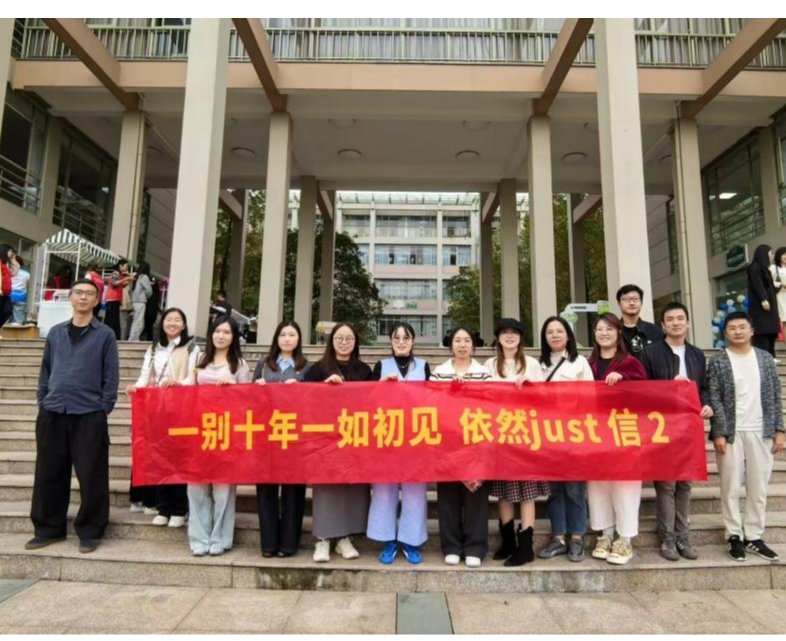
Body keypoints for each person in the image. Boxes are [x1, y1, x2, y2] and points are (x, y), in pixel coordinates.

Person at [26, 278, 119, 553]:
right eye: (78, 293)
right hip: (53, 411)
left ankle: (90, 531)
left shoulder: (105, 335)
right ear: (70, 297)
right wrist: (43, 399)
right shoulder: (56, 333)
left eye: (89, 294)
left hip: (89, 413)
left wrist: (104, 407)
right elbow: (45, 369)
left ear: (97, 300)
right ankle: (48, 529)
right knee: (49, 473)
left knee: (92, 475)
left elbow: (111, 375)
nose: (83, 297)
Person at [708, 311, 785, 562]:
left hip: (761, 430)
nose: (738, 331)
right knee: (730, 485)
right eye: (732, 328)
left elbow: (775, 395)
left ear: (752, 330)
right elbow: (715, 398)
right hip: (731, 432)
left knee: (758, 486)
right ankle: (733, 534)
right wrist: (719, 431)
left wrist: (780, 430)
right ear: (725, 333)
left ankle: (754, 535)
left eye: (742, 327)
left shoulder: (765, 358)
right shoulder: (719, 361)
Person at [644, 302, 713, 561]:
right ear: (663, 325)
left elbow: (704, 387)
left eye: (680, 318)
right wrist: (667, 386)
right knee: (666, 484)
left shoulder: (697, 354)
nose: (676, 323)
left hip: (689, 426)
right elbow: (643, 390)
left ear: (688, 322)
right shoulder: (651, 353)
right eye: (670, 319)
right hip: (662, 427)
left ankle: (683, 535)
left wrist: (706, 404)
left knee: (685, 483)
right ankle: (667, 538)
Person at [303, 322, 372, 563]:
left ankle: (345, 538)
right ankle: (322, 540)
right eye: (339, 338)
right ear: (331, 341)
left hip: (355, 439)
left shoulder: (364, 370)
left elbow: (374, 401)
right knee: (326, 490)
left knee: (352, 490)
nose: (344, 342)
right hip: (326, 440)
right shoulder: (317, 368)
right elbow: (303, 398)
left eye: (349, 338)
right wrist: (323, 388)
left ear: (356, 342)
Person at [183, 315, 251, 556]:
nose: (221, 336)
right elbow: (188, 385)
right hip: (199, 431)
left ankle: (220, 538)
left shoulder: (239, 365)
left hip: (226, 432)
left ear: (234, 337)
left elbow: (248, 399)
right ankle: (198, 538)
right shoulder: (199, 359)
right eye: (217, 331)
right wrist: (171, 385)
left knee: (223, 489)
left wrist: (232, 389)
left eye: (227, 332)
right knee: (196, 487)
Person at [126, 308, 200, 528]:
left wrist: (178, 384)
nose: (173, 323)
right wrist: (135, 388)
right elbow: (145, 375)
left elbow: (193, 378)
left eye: (178, 320)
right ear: (162, 323)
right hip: (157, 409)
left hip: (181, 409)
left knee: (178, 458)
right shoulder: (153, 348)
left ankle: (179, 509)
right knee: (159, 456)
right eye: (169, 319)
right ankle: (163, 507)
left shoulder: (192, 347)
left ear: (184, 325)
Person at [483, 317, 546, 567]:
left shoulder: (532, 364)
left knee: (527, 491)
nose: (509, 337)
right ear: (498, 338)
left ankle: (526, 545)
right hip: (499, 434)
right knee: (504, 490)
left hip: (525, 433)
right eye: (504, 333)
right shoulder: (489, 365)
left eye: (514, 333)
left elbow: (545, 397)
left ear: (521, 338)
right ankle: (508, 541)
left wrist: (531, 386)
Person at [367, 322, 431, 565]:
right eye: (397, 337)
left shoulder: (423, 366)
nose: (401, 342)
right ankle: (388, 540)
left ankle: (411, 540)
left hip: (416, 436)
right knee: (384, 489)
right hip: (386, 436)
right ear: (390, 341)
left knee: (415, 490)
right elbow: (367, 400)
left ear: (413, 341)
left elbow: (433, 399)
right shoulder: (381, 366)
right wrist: (381, 386)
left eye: (406, 337)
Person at [587, 313, 648, 565]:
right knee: (598, 485)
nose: (604, 333)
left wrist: (625, 381)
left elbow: (646, 393)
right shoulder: (588, 364)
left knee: (626, 485)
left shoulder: (630, 363)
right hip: (594, 432)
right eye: (599, 329)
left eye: (609, 329)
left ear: (619, 332)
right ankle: (605, 534)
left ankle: (625, 539)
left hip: (624, 431)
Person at [430, 326, 491, 568]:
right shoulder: (439, 372)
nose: (462, 345)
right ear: (451, 345)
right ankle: (452, 546)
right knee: (448, 497)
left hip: (476, 442)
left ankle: (476, 546)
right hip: (447, 442)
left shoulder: (483, 372)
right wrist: (451, 391)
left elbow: (491, 404)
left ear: (473, 346)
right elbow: (431, 403)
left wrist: (468, 392)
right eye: (458, 340)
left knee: (476, 498)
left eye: (467, 340)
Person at [537, 315, 594, 563]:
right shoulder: (537, 365)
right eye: (550, 332)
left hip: (574, 434)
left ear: (568, 336)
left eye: (559, 331)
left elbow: (590, 398)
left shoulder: (579, 362)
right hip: (548, 434)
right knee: (555, 490)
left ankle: (577, 538)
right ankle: (558, 537)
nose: (555, 335)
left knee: (575, 489)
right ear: (544, 337)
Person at [253, 320, 312, 558]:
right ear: (276, 338)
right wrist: (257, 387)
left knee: (293, 491)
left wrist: (301, 388)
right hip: (267, 436)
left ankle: (288, 544)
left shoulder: (306, 366)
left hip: (295, 437)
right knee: (266, 490)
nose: (287, 339)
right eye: (283, 334)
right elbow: (249, 399)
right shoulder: (264, 364)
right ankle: (268, 544)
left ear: (299, 339)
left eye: (292, 335)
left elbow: (315, 400)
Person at [616, 284, 664, 362]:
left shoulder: (654, 331)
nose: (632, 303)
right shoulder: (613, 330)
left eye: (635, 299)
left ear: (641, 303)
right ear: (619, 304)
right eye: (627, 299)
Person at [747, 244, 779, 357]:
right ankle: (764, 357)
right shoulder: (754, 268)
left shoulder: (766, 270)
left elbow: (769, 287)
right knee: (762, 332)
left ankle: (771, 356)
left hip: (770, 307)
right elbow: (757, 285)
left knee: (771, 332)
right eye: (770, 253)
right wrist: (764, 299)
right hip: (761, 307)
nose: (772, 256)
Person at [105, 259, 134, 340]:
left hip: (116, 299)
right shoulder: (116, 273)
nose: (127, 268)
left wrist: (128, 280)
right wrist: (126, 279)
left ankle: (114, 337)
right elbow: (114, 283)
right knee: (112, 320)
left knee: (115, 320)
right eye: (126, 266)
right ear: (120, 266)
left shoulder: (120, 274)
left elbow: (121, 285)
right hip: (112, 299)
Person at [128, 261, 153, 341]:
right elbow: (149, 290)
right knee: (139, 322)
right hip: (140, 301)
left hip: (133, 301)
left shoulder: (135, 276)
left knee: (135, 321)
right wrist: (145, 296)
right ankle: (133, 339)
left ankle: (132, 338)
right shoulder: (144, 277)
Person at [770, 246, 786, 343]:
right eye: (784, 254)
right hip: (779, 296)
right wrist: (781, 284)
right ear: (779, 255)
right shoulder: (773, 268)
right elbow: (768, 282)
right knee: (782, 322)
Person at [10, 255, 30, 325]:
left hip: (9, 295)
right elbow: (26, 283)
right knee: (18, 318)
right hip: (21, 297)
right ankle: (17, 330)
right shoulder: (26, 274)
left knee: (5, 316)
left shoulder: (9, 272)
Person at [0, 244, 16, 327]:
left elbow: (14, 273)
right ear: (4, 251)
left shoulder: (5, 263)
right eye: (10, 251)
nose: (11, 253)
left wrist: (13, 260)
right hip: (1, 292)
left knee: (8, 311)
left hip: (6, 293)